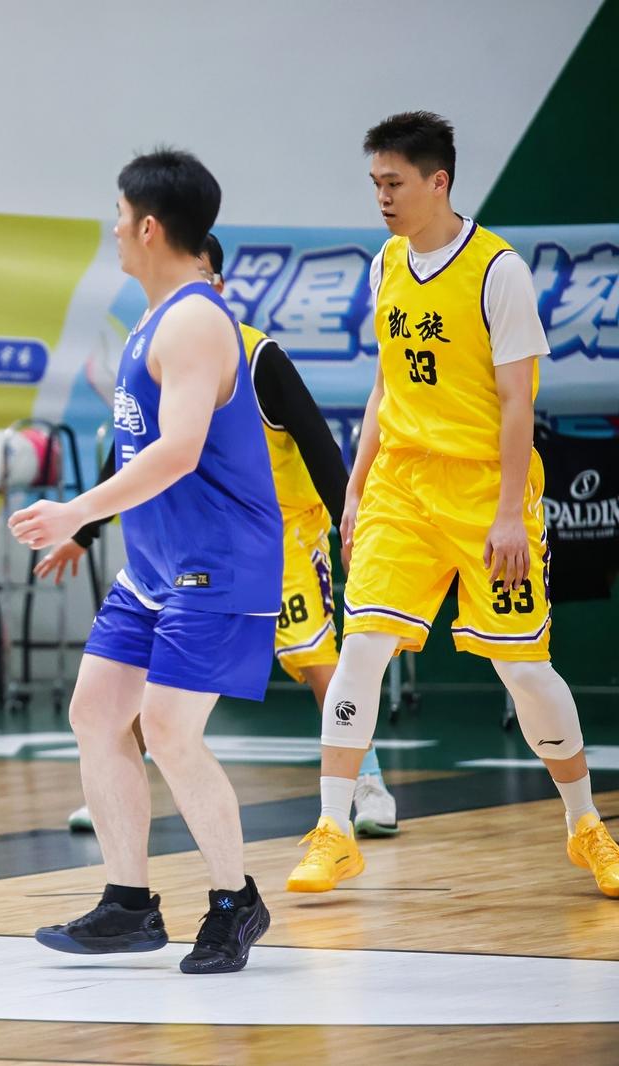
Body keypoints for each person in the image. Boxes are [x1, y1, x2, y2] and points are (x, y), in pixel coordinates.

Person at [286, 111, 619, 897]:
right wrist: (357, 486)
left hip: (484, 493)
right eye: (375, 183)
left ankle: (586, 826)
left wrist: (508, 513)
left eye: (394, 183)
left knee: (523, 670)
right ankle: (335, 829)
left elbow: (517, 402)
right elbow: (385, 383)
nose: (382, 197)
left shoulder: (498, 271)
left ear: (438, 182)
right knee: (361, 650)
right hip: (402, 488)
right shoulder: (386, 263)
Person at [11, 149, 281, 974]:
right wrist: (91, 525)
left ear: (152, 227)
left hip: (219, 563)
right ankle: (129, 903)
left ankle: (235, 902)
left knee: (168, 730)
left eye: (121, 218)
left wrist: (77, 510)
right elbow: (139, 449)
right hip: (155, 565)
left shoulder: (196, 320)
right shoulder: (154, 317)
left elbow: (180, 449)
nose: (116, 231)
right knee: (96, 713)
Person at [44, 235, 398, 838]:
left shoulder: (257, 357)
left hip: (278, 539)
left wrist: (349, 518)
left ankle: (366, 781)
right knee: (145, 663)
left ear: (220, 288)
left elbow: (316, 440)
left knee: (319, 663)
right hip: (191, 543)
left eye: (201, 281)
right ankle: (117, 774)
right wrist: (83, 531)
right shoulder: (153, 348)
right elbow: (130, 450)